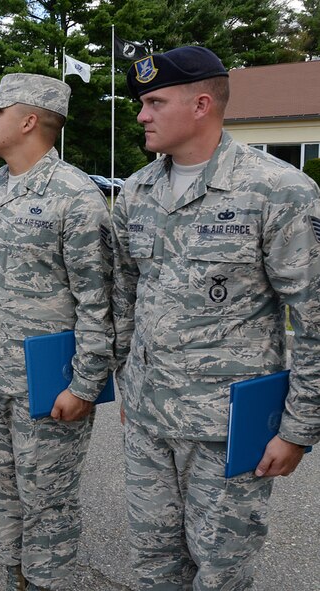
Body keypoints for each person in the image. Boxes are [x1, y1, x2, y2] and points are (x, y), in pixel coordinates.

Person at [114, 46, 320, 589]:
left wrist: (297, 429)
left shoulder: (279, 191)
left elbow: (315, 318)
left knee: (222, 569)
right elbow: (128, 299)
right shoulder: (135, 192)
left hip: (228, 427)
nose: (141, 114)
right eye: (142, 102)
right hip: (150, 419)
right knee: (154, 560)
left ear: (202, 103)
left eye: (155, 102)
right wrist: (129, 387)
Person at [0, 74, 114, 591]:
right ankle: (15, 576)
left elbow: (99, 303)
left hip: (48, 383)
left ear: (28, 121)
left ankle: (49, 582)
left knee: (47, 498)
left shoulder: (76, 197)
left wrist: (84, 385)